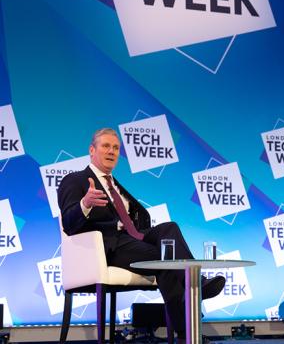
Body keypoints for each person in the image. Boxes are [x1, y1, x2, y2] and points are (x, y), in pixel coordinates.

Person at [58, 128, 226, 343]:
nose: (112, 151)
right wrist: (85, 203)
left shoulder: (115, 184)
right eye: (106, 146)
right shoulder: (76, 180)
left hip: (133, 239)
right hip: (108, 248)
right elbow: (69, 224)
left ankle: (196, 283)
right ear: (92, 150)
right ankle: (188, 324)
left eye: (116, 148)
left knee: (169, 229)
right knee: (165, 261)